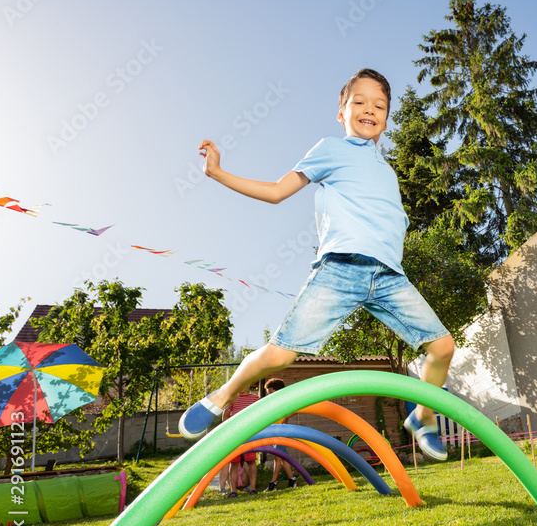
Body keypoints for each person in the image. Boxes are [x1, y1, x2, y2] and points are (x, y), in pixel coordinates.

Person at [179, 68, 455, 460]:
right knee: (281, 355)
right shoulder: (330, 148)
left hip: (389, 276)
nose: (369, 110)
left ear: (387, 119)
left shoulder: (388, 172)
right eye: (358, 102)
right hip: (340, 269)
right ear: (341, 112)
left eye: (379, 106)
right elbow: (277, 192)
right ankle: (221, 396)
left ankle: (422, 417)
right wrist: (218, 172)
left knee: (443, 348)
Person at [224, 386, 260, 497]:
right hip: (235, 436)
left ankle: (253, 488)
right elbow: (225, 416)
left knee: (251, 461)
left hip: (249, 435)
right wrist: (229, 430)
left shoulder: (255, 399)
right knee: (234, 463)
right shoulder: (232, 399)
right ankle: (233, 491)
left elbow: (260, 414)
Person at [263, 378, 297, 490]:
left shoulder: (284, 399)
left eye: (271, 393)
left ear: (278, 390)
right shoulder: (274, 401)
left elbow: (296, 408)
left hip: (281, 431)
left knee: (277, 457)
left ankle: (273, 483)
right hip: (274, 431)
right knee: (283, 458)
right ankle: (292, 480)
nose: (270, 395)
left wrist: (286, 417)